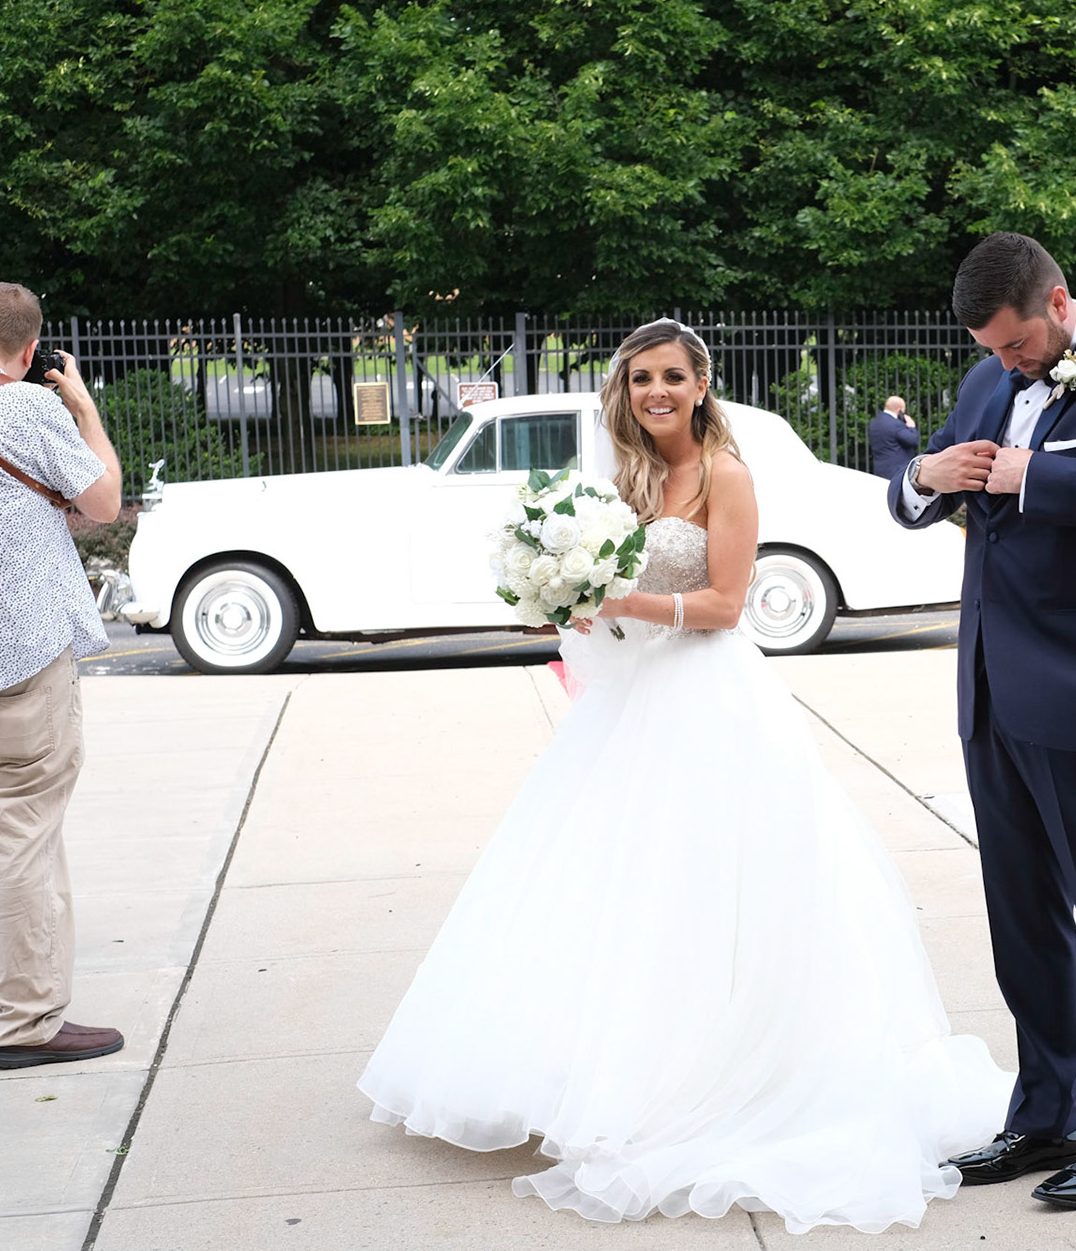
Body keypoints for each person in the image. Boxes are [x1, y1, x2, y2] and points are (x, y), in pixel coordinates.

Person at [359, 318, 1012, 1233]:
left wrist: (616, 595)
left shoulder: (725, 474)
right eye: (640, 379)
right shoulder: (625, 480)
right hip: (633, 700)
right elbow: (608, 591)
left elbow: (726, 604)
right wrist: (568, 600)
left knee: (711, 889)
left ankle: (715, 1077)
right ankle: (615, 1069)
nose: (656, 392)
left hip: (711, 700)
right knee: (618, 889)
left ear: (702, 384)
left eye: (671, 376)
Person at [888, 234, 1076, 1209]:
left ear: (1057, 304)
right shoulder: (988, 378)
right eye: (992, 350)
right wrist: (928, 473)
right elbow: (921, 493)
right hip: (991, 686)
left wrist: (1035, 476)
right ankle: (1042, 1114)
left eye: (1017, 345)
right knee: (1020, 913)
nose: (1007, 363)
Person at [0, 282, 126, 1069]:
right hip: (21, 660)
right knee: (27, 839)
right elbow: (104, 502)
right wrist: (83, 408)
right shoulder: (28, 408)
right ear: (31, 349)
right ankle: (28, 1021)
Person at [868, 394, 919, 481]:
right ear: (900, 410)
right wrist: (912, 427)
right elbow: (913, 440)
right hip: (897, 471)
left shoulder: (875, 422)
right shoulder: (896, 424)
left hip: (880, 469)